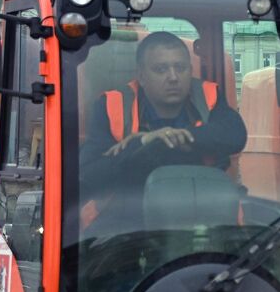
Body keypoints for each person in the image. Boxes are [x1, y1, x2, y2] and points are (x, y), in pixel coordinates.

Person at [80, 31, 247, 180]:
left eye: (180, 68)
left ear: (190, 70)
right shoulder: (112, 105)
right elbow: (88, 174)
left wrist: (175, 136)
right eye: (161, 69)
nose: (173, 77)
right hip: (130, 208)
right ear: (141, 76)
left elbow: (235, 135)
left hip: (202, 205)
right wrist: (145, 142)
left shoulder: (208, 95)